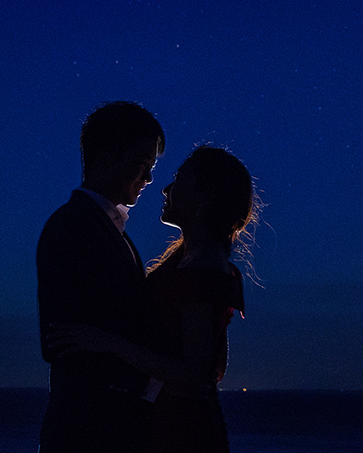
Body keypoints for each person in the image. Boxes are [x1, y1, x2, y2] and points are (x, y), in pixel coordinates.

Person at [48, 145, 257, 453]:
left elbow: (197, 374)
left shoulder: (201, 269)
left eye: (180, 181)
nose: (166, 189)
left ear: (204, 199)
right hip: (174, 420)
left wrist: (106, 342)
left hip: (180, 430)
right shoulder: (199, 262)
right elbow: (215, 368)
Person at [37, 101, 166, 453]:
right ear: (106, 160)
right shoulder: (73, 226)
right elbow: (62, 338)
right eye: (143, 164)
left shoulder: (108, 230)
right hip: (89, 428)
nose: (149, 178)